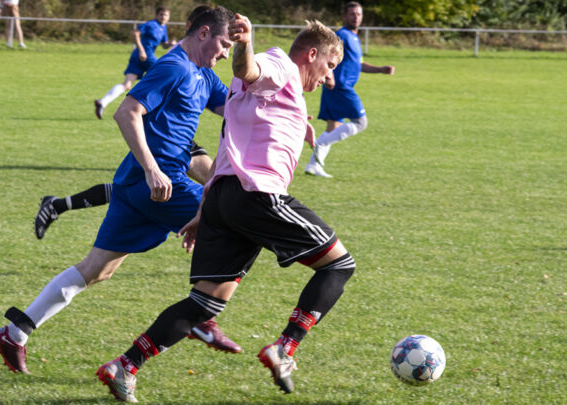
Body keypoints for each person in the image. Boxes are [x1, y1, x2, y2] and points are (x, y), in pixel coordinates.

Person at [96, 15, 353, 401]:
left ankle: (125, 366)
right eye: (329, 66)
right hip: (257, 196)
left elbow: (233, 138)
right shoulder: (279, 64)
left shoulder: (280, 95)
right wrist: (245, 44)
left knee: (205, 302)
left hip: (223, 197)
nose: (329, 78)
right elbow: (249, 69)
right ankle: (285, 348)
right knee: (338, 265)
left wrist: (206, 207)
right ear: (311, 54)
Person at [0, 6, 239, 375]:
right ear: (203, 33)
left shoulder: (203, 73)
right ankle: (202, 315)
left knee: (96, 270)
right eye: (223, 43)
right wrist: (153, 169)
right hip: (159, 183)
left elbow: (238, 105)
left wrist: (290, 113)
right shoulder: (175, 67)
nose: (226, 53)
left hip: (133, 186)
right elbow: (127, 112)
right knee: (232, 225)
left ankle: (16, 331)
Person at [35, 7, 215, 240]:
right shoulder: (179, 58)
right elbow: (138, 103)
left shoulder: (192, 56)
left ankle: (57, 205)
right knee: (215, 190)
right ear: (198, 28)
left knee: (129, 189)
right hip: (160, 136)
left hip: (174, 138)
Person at [34, 141, 211, 239]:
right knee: (137, 190)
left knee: (134, 190)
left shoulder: (208, 80)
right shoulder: (181, 75)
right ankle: (56, 205)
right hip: (168, 140)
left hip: (176, 139)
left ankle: (57, 205)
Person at [304, 1, 395, 178]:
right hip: (341, 87)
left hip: (338, 88)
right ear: (344, 16)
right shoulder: (341, 36)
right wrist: (329, 76)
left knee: (334, 127)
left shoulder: (354, 37)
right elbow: (324, 55)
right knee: (361, 122)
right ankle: (320, 144)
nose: (356, 17)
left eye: (359, 14)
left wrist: (380, 69)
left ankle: (313, 165)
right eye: (352, 14)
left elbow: (358, 64)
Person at [94, 7, 178, 119]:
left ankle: (102, 102)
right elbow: (135, 33)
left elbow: (163, 44)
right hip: (143, 55)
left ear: (169, 17)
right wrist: (141, 50)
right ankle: (161, 110)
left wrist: (170, 44)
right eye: (161, 14)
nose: (163, 17)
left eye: (166, 15)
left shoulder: (163, 28)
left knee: (127, 84)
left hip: (143, 55)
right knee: (165, 74)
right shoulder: (150, 24)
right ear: (156, 15)